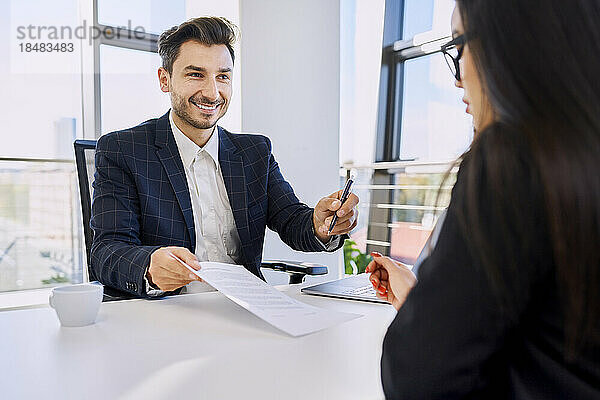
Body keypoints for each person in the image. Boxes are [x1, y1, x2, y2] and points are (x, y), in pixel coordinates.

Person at [367, 0, 600, 398]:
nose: (458, 78)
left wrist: (426, 318)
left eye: (459, 45)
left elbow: (417, 375)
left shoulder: (513, 160)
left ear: (514, 41)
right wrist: (427, 300)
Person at [90, 17, 358, 297]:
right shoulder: (123, 149)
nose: (212, 92)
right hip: (168, 312)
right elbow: (106, 251)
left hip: (248, 307)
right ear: (165, 79)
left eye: (223, 76)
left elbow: (292, 220)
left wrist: (320, 224)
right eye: (196, 74)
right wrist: (148, 266)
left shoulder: (255, 152)